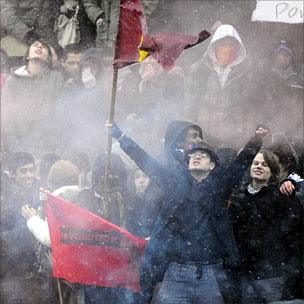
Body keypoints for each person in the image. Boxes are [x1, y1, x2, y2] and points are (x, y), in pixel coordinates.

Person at [111, 122, 267, 303]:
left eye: (203, 154)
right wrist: (121, 137)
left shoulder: (221, 185)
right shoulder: (172, 182)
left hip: (212, 272)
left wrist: (257, 139)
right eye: (192, 155)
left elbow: (242, 161)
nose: (196, 156)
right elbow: (143, 159)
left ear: (212, 166)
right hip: (176, 272)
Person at [229, 150, 300, 303]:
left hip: (272, 275)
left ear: (272, 170)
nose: (259, 166)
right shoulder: (238, 196)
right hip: (243, 274)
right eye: (256, 163)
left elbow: (294, 234)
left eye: (265, 164)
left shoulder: (282, 196)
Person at [0, 152, 58, 303]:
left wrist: (44, 206)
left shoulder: (39, 191)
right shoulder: (5, 197)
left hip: (40, 270)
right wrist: (29, 221)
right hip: (13, 272)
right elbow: (6, 239)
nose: (29, 175)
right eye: (23, 171)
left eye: (31, 170)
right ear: (12, 174)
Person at [186, 24, 255, 149]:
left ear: (238, 47)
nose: (227, 49)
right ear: (214, 46)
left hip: (235, 136)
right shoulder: (199, 70)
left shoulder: (247, 72)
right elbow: (190, 103)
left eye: (231, 45)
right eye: (223, 44)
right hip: (205, 131)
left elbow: (250, 106)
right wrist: (192, 131)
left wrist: (246, 135)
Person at [2, 40, 64, 159]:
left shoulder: (56, 79)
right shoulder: (13, 80)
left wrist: (52, 145)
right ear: (28, 56)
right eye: (35, 44)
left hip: (48, 145)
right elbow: (7, 118)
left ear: (48, 59)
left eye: (44, 47)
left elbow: (59, 114)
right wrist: (16, 147)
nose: (39, 46)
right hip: (18, 144)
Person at [81, 0, 159, 54]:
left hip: (131, 35)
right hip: (105, 35)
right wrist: (97, 16)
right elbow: (89, 2)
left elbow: (150, 3)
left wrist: (137, 15)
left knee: (129, 69)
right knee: (103, 70)